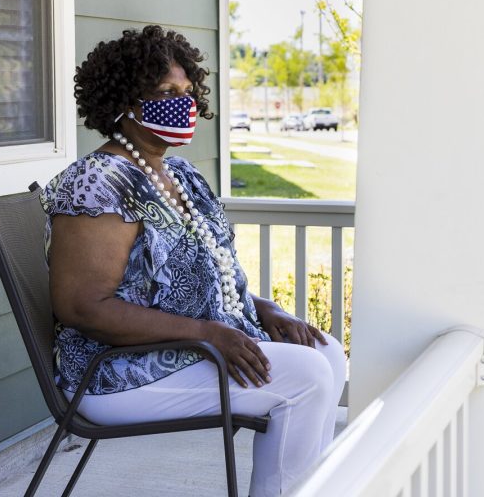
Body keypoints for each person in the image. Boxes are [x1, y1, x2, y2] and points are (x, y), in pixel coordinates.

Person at [40, 25, 346, 496]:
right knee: (305, 378)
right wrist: (207, 332)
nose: (183, 104)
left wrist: (267, 310)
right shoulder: (98, 182)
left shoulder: (178, 172)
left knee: (326, 353)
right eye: (166, 92)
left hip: (185, 349)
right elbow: (83, 307)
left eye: (187, 92)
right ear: (124, 100)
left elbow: (213, 272)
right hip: (118, 369)